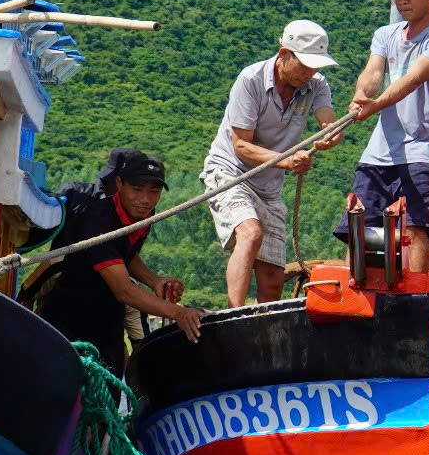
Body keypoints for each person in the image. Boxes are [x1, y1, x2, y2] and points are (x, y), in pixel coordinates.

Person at [203, 20, 340, 306]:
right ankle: (234, 313)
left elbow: (328, 121)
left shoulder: (316, 85)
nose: (310, 73)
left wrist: (332, 134)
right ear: (283, 54)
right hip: (231, 173)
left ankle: (263, 326)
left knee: (272, 278)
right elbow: (241, 146)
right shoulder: (251, 79)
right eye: (305, 65)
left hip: (269, 187)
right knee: (251, 234)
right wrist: (288, 161)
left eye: (315, 66)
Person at [35, 147, 202, 370]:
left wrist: (155, 281)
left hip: (109, 313)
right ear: (120, 184)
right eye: (137, 189)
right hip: (71, 314)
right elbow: (124, 289)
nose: (145, 200)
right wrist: (179, 313)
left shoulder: (143, 215)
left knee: (112, 377)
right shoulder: (97, 221)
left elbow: (124, 253)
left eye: (154, 191)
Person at [342, 0, 429, 275]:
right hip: (378, 153)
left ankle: (420, 293)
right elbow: (373, 72)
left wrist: (375, 105)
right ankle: (355, 293)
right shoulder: (385, 34)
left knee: (415, 229)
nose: (402, 0)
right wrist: (361, 95)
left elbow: (413, 79)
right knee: (358, 227)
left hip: (420, 152)